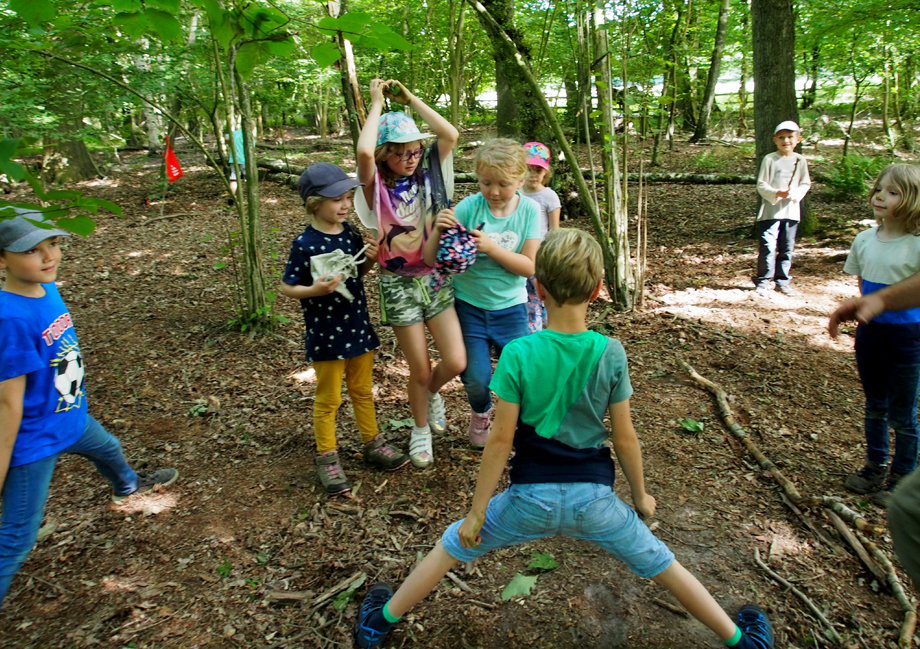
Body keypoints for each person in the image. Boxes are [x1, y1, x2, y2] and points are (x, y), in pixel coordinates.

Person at [353, 228, 775, 649]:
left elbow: (500, 442)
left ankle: (379, 623)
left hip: (527, 501)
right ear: (596, 291)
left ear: (536, 287)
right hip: (596, 502)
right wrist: (641, 495)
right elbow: (625, 438)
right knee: (661, 562)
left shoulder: (519, 352)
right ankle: (741, 641)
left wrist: (477, 511)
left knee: (450, 548)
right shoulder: (611, 352)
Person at [0, 209, 178, 647]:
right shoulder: (10, 318)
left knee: (110, 448)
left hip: (71, 418)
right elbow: (9, 399)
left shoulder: (43, 288)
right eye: (30, 250)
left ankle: (127, 487)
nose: (48, 256)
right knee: (13, 544)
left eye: (53, 244)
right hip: (35, 439)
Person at [829, 236, 920, 649]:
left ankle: (898, 472)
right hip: (879, 338)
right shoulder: (868, 241)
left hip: (907, 343)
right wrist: (880, 301)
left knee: (903, 425)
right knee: (919, 514)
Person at [355, 79, 466, 469]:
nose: (411, 158)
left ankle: (432, 393)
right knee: (418, 368)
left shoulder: (431, 171)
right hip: (398, 283)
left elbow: (449, 134)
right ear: (387, 156)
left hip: (436, 278)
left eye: (415, 150)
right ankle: (420, 429)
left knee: (454, 361)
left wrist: (409, 100)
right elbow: (364, 151)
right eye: (400, 152)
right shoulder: (375, 189)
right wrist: (376, 102)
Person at [280, 163, 408, 495]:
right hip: (326, 334)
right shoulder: (305, 243)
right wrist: (314, 291)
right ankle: (327, 456)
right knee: (329, 398)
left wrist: (371, 256)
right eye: (337, 199)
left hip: (357, 326)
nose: (346, 205)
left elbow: (356, 275)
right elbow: (288, 286)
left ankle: (372, 442)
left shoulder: (350, 233)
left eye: (348, 197)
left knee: (363, 390)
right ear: (314, 202)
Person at [839, 164, 920, 506]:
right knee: (875, 406)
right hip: (872, 336)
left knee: (902, 414)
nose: (880, 197)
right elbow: (865, 289)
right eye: (879, 189)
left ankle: (903, 477)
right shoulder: (864, 240)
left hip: (907, 338)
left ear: (915, 200)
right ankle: (875, 465)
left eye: (893, 192)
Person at [443, 139, 540, 448]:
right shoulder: (469, 207)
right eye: (486, 183)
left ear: (521, 181)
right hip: (469, 306)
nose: (494, 191)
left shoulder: (529, 211)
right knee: (476, 377)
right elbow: (447, 252)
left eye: (503, 184)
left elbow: (527, 267)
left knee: (520, 375)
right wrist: (443, 229)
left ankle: (520, 424)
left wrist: (491, 248)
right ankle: (481, 413)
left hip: (511, 309)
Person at [754, 120, 811, 295]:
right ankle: (763, 281)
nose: (785, 141)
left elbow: (805, 183)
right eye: (781, 137)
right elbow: (761, 184)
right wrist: (777, 192)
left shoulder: (800, 160)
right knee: (768, 246)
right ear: (775, 140)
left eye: (790, 137)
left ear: (798, 139)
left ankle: (782, 281)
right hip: (771, 210)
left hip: (791, 211)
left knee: (786, 247)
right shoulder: (770, 159)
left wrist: (795, 194)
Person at [521, 141, 561, 333]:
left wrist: (552, 259)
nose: (533, 175)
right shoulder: (515, 193)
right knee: (527, 298)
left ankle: (544, 333)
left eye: (538, 170)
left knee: (539, 297)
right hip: (519, 255)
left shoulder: (549, 197)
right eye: (528, 169)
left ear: (546, 172)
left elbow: (554, 231)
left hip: (540, 258)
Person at [227, 128, 246, 204]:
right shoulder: (248, 135)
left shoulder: (234, 133)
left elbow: (226, 138)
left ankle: (232, 196)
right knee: (247, 178)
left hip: (234, 159)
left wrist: (230, 144)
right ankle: (245, 196)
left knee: (234, 178)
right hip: (244, 160)